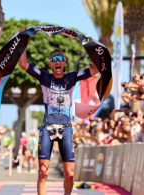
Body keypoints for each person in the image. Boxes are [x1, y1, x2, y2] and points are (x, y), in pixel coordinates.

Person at [19, 49, 98, 195]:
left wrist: (92, 47)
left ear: (65, 63)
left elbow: (94, 69)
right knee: (43, 171)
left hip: (66, 127)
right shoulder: (44, 77)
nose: (58, 62)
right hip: (48, 126)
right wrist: (22, 40)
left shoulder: (72, 77)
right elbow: (23, 64)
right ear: (50, 64)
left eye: (60, 59)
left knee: (70, 173)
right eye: (54, 59)